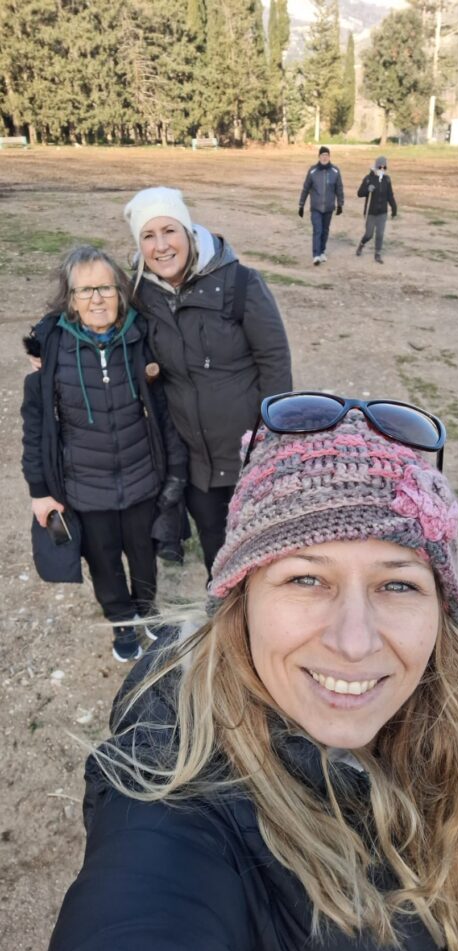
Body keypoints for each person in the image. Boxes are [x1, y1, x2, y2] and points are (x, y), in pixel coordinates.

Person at [20, 392, 458, 951]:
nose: (354, 641)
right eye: (306, 578)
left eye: (398, 583)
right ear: (241, 599)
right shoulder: (175, 797)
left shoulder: (456, 714)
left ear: (441, 612)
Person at [21, 245, 188, 663]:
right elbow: (35, 429)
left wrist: (174, 471)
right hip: (85, 489)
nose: (96, 299)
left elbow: (165, 411)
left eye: (105, 288)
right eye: (85, 290)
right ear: (71, 299)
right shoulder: (53, 352)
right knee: (104, 563)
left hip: (141, 480)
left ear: (121, 292)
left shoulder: (142, 339)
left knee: (144, 557)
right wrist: (40, 491)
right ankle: (122, 622)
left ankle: (147, 610)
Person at [123, 186, 292, 576]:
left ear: (187, 230)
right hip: (194, 463)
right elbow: (92, 313)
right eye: (148, 236)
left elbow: (275, 362)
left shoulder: (240, 283)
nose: (161, 246)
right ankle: (224, 606)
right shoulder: (140, 294)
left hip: (248, 456)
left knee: (263, 551)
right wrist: (44, 347)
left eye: (169, 231)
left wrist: (269, 440)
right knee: (217, 552)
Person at [298, 145, 344, 265]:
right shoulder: (313, 171)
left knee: (325, 230)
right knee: (317, 230)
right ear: (319, 157)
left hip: (329, 207)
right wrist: (301, 205)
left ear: (329, 157)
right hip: (316, 208)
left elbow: (339, 188)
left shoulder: (335, 171)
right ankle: (316, 255)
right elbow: (306, 188)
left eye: (326, 155)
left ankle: (322, 251)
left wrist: (340, 204)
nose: (324, 157)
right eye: (322, 155)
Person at [356, 155, 397, 264]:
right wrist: (367, 189)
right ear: (376, 167)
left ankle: (377, 253)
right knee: (369, 234)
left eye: (384, 167)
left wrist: (394, 208)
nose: (382, 169)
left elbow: (390, 195)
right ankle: (361, 244)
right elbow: (359, 193)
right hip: (371, 212)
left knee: (380, 234)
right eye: (380, 167)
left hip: (382, 212)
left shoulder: (387, 180)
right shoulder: (368, 179)